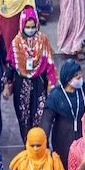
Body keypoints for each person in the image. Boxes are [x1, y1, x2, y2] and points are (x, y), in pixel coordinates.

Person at [4, 9, 56, 138]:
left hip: (39, 83)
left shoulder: (43, 40)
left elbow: (50, 63)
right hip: (21, 85)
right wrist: (7, 85)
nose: (30, 30)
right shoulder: (16, 43)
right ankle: (27, 145)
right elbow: (11, 65)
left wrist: (52, 83)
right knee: (24, 118)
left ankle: (39, 144)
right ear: (22, 25)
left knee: (39, 117)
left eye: (33, 27)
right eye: (27, 27)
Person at [40, 60, 85, 166]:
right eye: (77, 78)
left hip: (83, 139)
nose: (81, 80)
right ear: (68, 80)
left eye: (81, 76)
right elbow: (46, 122)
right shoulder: (56, 95)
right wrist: (43, 145)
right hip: (62, 140)